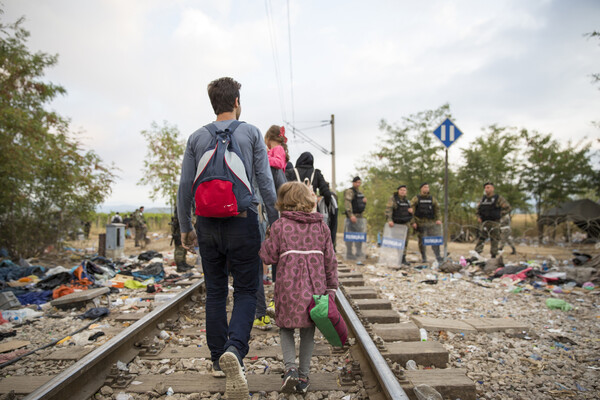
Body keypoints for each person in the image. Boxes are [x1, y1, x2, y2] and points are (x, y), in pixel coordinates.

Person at [177, 77, 278, 400]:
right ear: (236, 102)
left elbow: (184, 187)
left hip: (206, 223)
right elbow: (264, 181)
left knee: (216, 292)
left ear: (214, 104)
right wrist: (276, 221)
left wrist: (185, 227)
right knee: (248, 289)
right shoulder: (250, 133)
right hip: (242, 221)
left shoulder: (196, 136)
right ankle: (235, 348)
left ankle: (216, 359)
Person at [259, 181, 338, 394]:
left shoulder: (280, 226)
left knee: (285, 327)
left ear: (284, 202)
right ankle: (303, 376)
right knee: (308, 330)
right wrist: (332, 287)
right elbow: (330, 260)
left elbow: (268, 256)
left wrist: (268, 237)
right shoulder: (321, 226)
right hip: (315, 287)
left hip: (288, 287)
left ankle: (290, 369)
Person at [286, 152, 337, 250]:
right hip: (311, 211)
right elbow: (326, 193)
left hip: (294, 210)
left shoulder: (291, 172)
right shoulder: (316, 173)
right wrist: (325, 204)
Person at [474, 182, 511, 258]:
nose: (486, 189)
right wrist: (478, 217)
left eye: (488, 187)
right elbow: (478, 209)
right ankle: (477, 254)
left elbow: (508, 208)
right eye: (485, 188)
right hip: (484, 222)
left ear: (492, 188)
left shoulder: (498, 198)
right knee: (481, 238)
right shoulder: (483, 199)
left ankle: (493, 255)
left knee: (494, 239)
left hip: (494, 222)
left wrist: (499, 214)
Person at [411, 183, 442, 263]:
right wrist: (413, 222)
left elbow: (437, 210)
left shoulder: (432, 199)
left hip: (431, 223)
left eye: (428, 187)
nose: (427, 188)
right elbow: (411, 211)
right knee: (422, 241)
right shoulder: (416, 199)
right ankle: (424, 257)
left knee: (434, 240)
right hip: (420, 222)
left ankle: (437, 256)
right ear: (421, 188)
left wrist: (439, 219)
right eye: (425, 187)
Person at [385, 185, 413, 266]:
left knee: (405, 241)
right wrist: (389, 220)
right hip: (397, 223)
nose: (403, 191)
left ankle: (403, 258)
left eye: (404, 190)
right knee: (398, 241)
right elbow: (388, 210)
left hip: (406, 223)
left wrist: (411, 212)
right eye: (401, 190)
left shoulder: (407, 201)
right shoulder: (393, 199)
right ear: (398, 191)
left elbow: (410, 212)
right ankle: (398, 257)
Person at [344, 176, 367, 260]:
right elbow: (347, 203)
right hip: (352, 217)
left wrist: (364, 202)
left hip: (360, 217)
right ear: (353, 183)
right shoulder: (350, 191)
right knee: (350, 235)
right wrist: (351, 215)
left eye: (359, 182)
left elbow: (360, 205)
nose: (358, 184)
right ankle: (349, 253)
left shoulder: (360, 192)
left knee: (359, 235)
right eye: (356, 182)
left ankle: (358, 251)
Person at [170, 206, 193, 272]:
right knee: (179, 249)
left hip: (182, 231)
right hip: (178, 232)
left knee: (183, 248)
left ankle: (183, 263)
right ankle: (179, 266)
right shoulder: (180, 208)